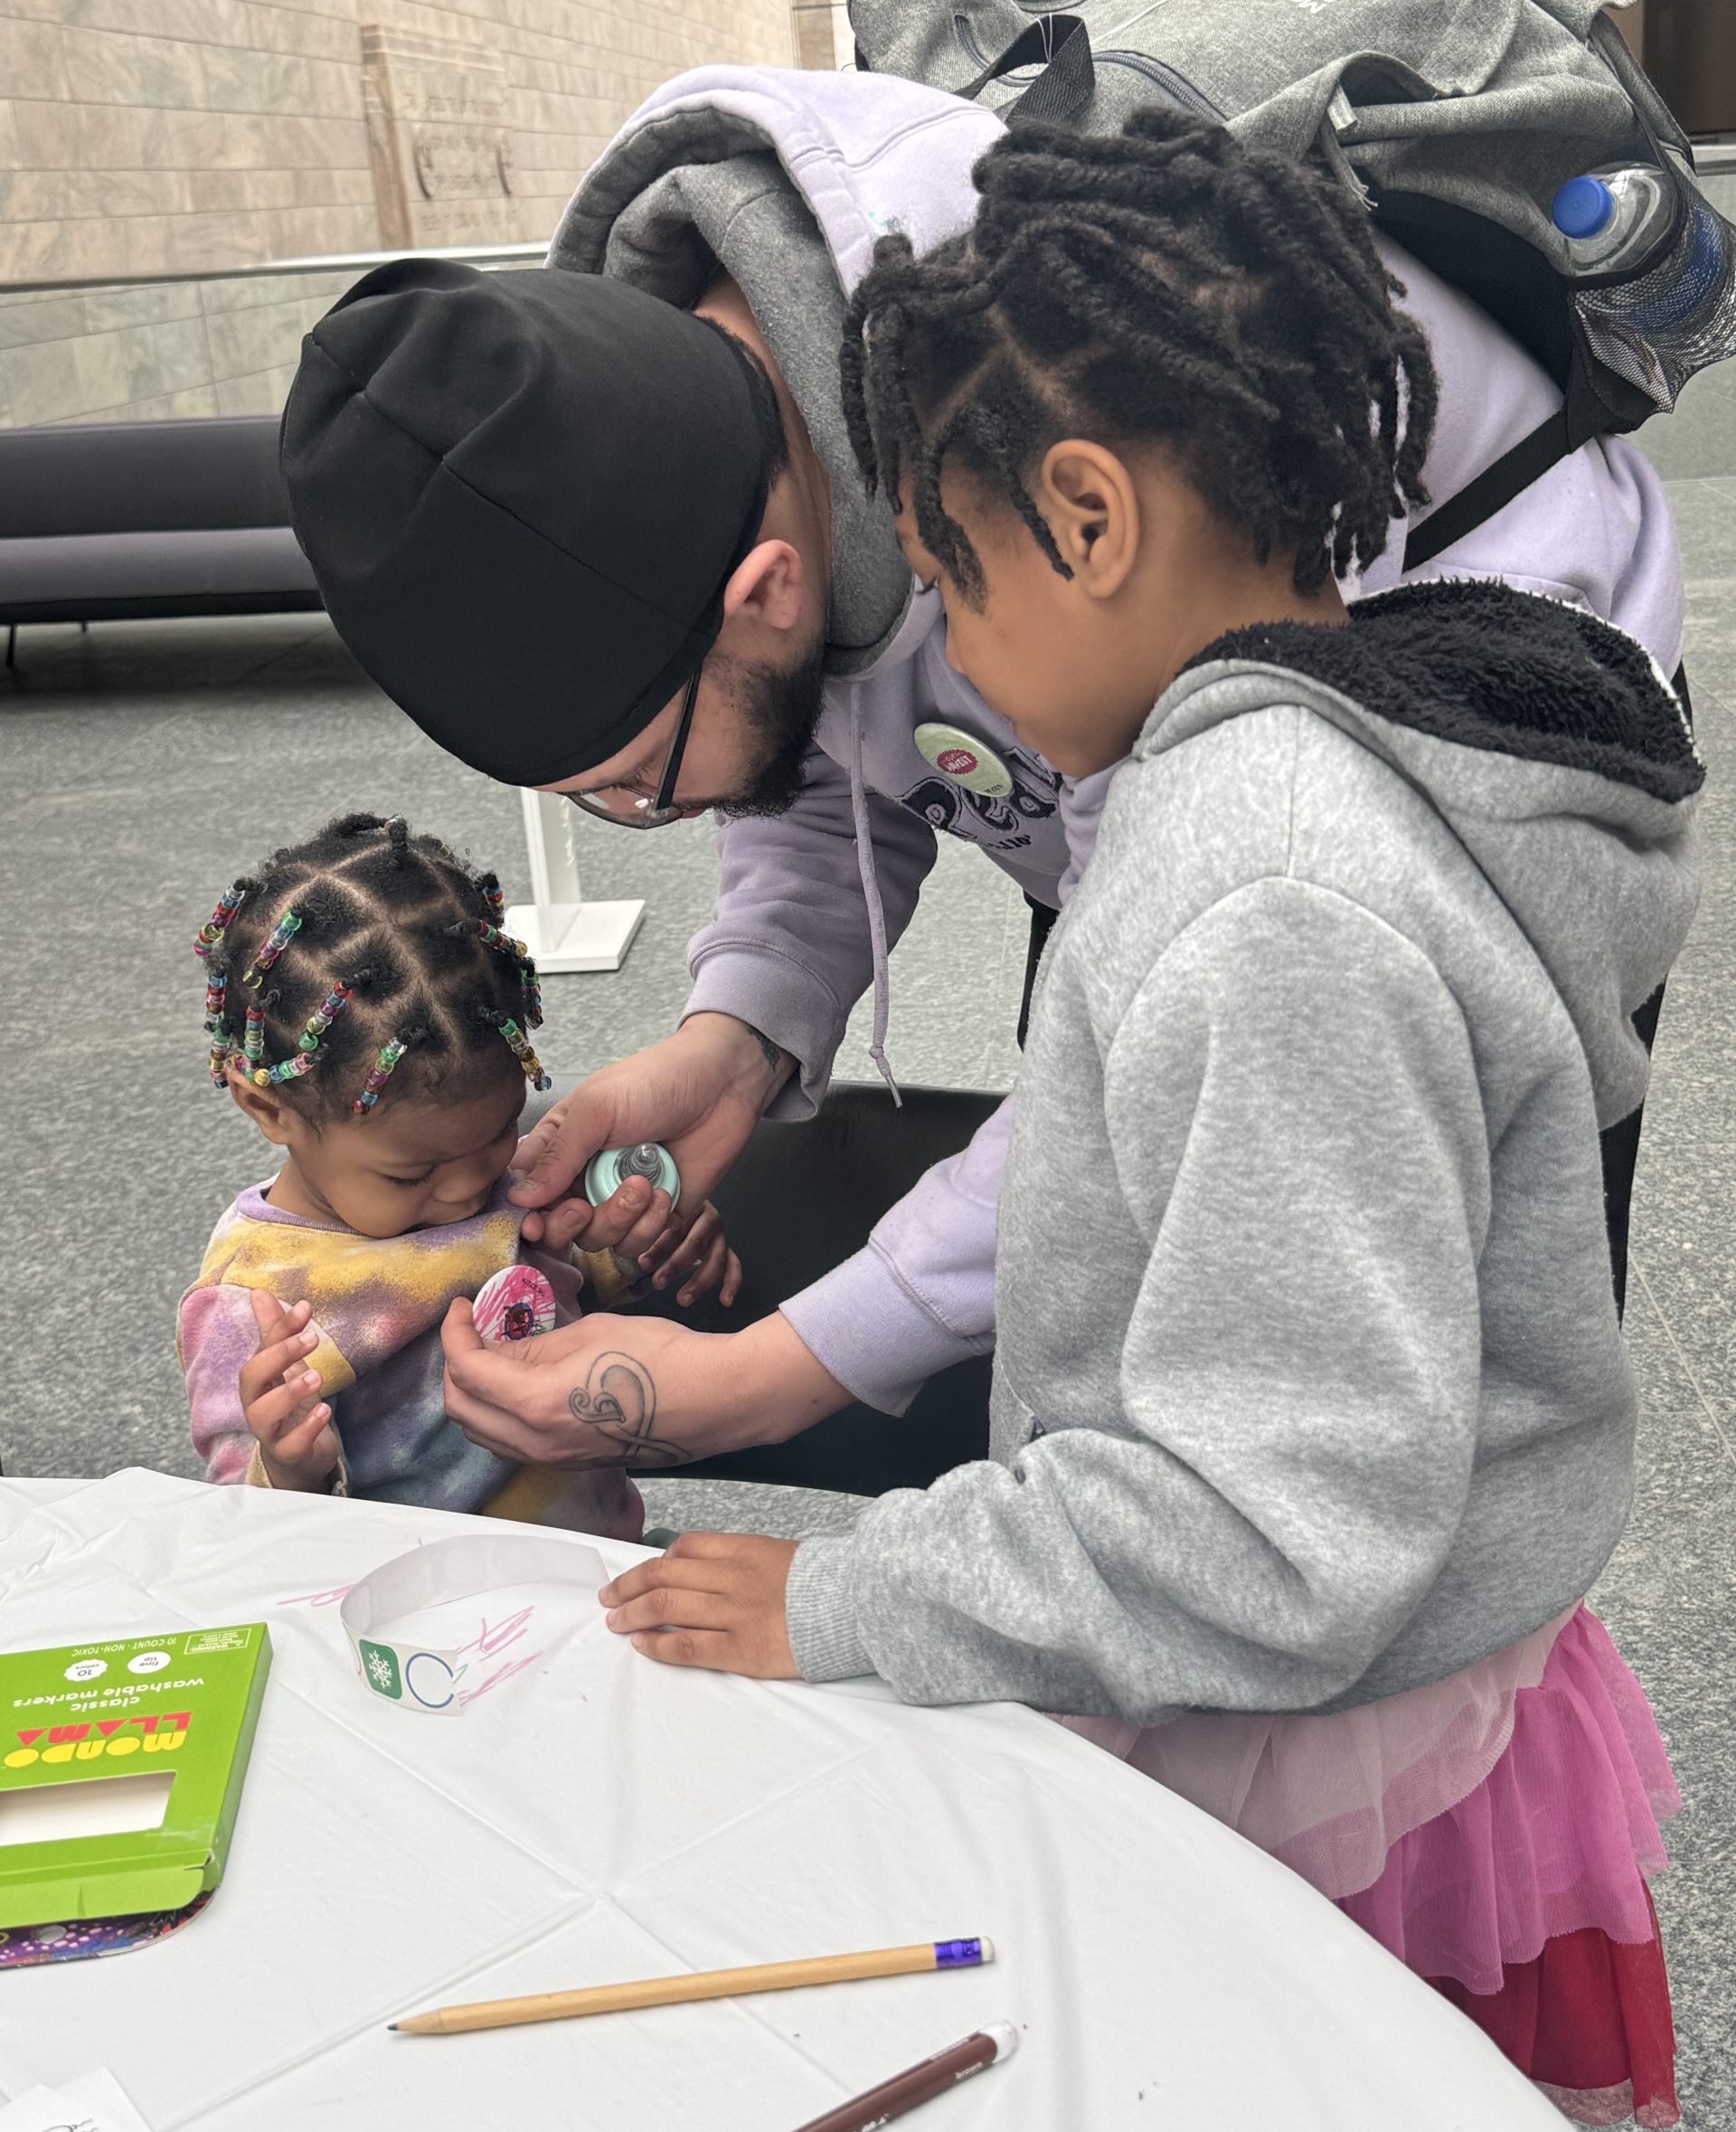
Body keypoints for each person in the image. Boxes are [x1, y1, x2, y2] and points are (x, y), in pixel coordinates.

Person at [590, 111, 1702, 2124]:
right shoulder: (1323, 754)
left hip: (1325, 1740)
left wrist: (840, 1594)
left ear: (1088, 521)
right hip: (1404, 1665)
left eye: (944, 576)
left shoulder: (1261, 895)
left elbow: (1270, 1531)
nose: (947, 653)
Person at [278, 65, 1686, 1476]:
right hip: (1194, 771)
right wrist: (738, 1038)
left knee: (1428, 1382)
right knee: (1115, 1315)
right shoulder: (706, 450)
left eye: (637, 783)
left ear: (770, 586)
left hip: (1470, 755)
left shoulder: (1071, 431)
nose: (656, 815)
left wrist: (781, 1378)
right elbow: (804, 739)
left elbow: (1111, 1092)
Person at [175, 811, 734, 1529]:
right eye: (413, 1174)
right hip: (417, 1620)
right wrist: (287, 1472)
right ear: (269, 1108)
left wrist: (643, 1236)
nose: (472, 1190)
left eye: (505, 1130)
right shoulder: (254, 1299)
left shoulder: (490, 1174)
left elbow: (564, 1284)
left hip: (602, 1573)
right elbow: (243, 1531)